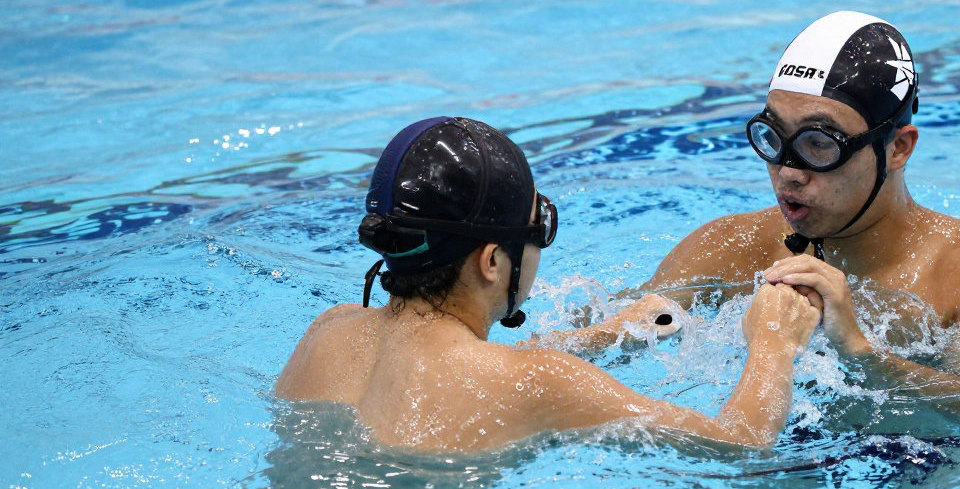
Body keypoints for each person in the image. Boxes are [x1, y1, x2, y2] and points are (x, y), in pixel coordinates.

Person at [276, 116, 820, 451]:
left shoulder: (329, 330)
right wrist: (774, 346)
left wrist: (600, 338)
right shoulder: (538, 382)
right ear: (492, 261)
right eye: (539, 231)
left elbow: (457, 373)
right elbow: (739, 446)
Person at [629, 11, 960, 397]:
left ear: (898, 148)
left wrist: (860, 350)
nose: (789, 171)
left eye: (820, 144)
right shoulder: (730, 245)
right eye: (773, 136)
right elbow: (623, 325)